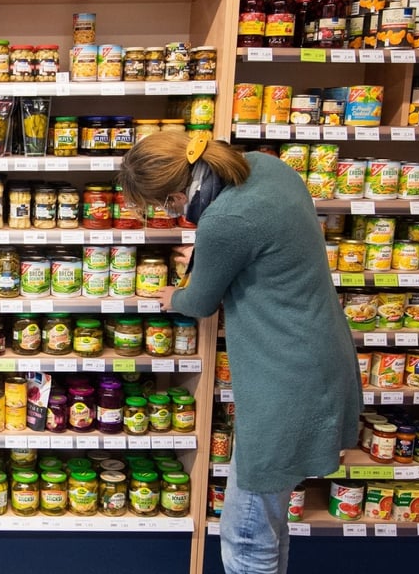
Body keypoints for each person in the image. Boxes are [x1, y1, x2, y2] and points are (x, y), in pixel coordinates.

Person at [118, 132, 361, 574]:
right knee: (270, 522)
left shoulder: (225, 220)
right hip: (323, 354)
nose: (170, 213)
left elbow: (199, 301)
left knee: (246, 534)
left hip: (285, 378)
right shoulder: (266, 167)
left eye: (166, 206)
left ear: (177, 193)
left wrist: (174, 294)